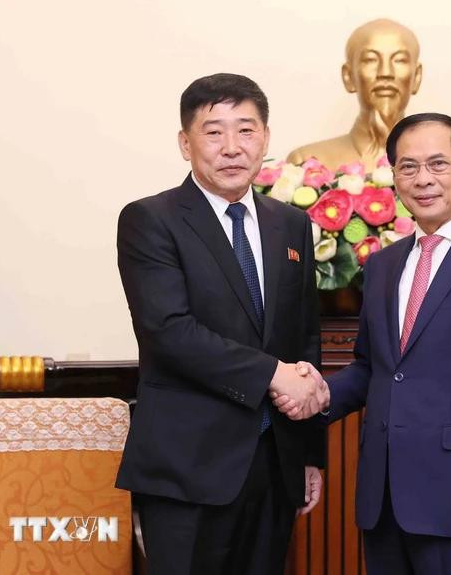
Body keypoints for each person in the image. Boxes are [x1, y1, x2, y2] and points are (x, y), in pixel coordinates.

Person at [274, 113, 451, 574]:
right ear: (394, 178)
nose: (423, 179)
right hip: (384, 504)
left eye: (438, 164)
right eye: (408, 167)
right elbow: (373, 368)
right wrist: (316, 394)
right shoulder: (383, 266)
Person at [115, 73, 329, 575]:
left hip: (274, 463)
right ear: (185, 143)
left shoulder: (290, 223)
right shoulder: (151, 220)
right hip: (189, 467)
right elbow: (169, 333)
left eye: (246, 130)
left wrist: (309, 450)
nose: (232, 147)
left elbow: (305, 337)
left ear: (266, 139)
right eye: (213, 132)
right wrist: (272, 374)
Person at [287, 18, 423, 172]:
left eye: (400, 60)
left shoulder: (446, 163)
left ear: (417, 77)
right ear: (348, 76)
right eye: (370, 60)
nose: (386, 73)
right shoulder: (308, 162)